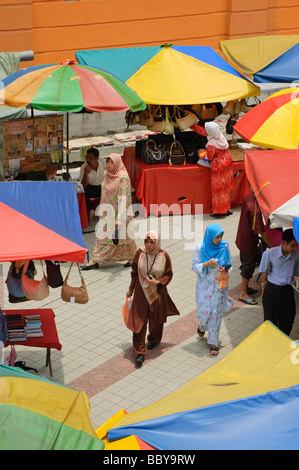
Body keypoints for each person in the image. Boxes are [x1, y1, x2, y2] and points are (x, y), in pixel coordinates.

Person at [125, 231, 180, 365]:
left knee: (156, 321)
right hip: (140, 293)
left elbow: (169, 274)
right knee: (139, 322)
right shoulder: (139, 253)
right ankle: (139, 351)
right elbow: (134, 273)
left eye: (151, 242)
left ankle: (154, 340)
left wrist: (158, 282)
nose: (148, 245)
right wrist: (130, 289)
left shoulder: (164, 256)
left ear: (156, 243)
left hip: (158, 294)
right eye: (146, 241)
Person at [81, 153, 137, 270]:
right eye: (108, 162)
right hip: (107, 212)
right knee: (103, 237)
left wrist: (119, 218)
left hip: (120, 213)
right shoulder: (107, 174)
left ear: (117, 162)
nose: (109, 165)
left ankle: (132, 258)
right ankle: (95, 260)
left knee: (125, 237)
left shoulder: (123, 178)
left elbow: (125, 199)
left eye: (112, 162)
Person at [192, 223, 234, 356]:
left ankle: (213, 342)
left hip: (219, 285)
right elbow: (194, 266)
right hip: (204, 286)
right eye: (217, 237)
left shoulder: (225, 247)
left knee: (215, 313)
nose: (219, 240)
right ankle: (202, 326)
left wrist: (225, 269)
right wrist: (206, 264)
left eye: (221, 236)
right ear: (210, 236)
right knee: (205, 311)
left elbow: (230, 264)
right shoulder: (200, 248)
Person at [259, 228, 299, 336]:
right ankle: (271, 344)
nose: (295, 248)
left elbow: (297, 274)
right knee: (270, 320)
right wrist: (263, 289)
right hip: (272, 290)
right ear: (284, 243)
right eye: (293, 245)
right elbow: (264, 273)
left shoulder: (296, 255)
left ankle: (283, 342)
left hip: (287, 291)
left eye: (296, 246)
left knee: (288, 319)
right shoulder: (269, 254)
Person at [235, 193, 273, 305]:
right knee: (248, 266)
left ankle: (245, 288)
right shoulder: (255, 209)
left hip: (242, 237)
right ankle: (243, 293)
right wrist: (272, 246)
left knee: (246, 264)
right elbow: (261, 231)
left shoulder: (249, 197)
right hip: (248, 241)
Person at [191, 121, 234, 217]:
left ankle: (219, 211)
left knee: (217, 189)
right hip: (227, 163)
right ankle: (227, 208)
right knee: (225, 188)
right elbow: (204, 132)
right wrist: (193, 126)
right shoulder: (220, 136)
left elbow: (210, 156)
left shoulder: (212, 143)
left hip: (218, 166)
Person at [79, 147, 104, 224]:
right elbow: (84, 185)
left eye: (90, 158)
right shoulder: (84, 167)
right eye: (87, 158)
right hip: (90, 188)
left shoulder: (102, 161)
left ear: (97, 158)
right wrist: (86, 173)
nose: (88, 160)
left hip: (100, 186)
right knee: (83, 194)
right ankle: (90, 211)